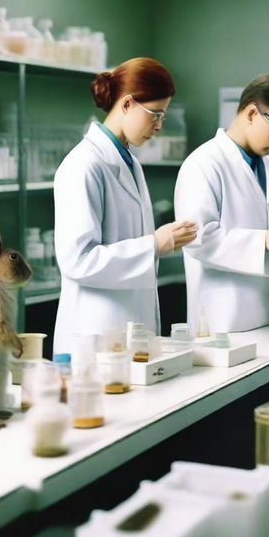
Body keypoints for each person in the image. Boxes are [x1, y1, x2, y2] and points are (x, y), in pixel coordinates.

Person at [53, 57, 197, 355]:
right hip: (94, 335)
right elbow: (78, 260)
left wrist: (158, 242)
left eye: (162, 117)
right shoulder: (83, 165)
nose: (159, 127)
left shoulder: (129, 162)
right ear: (128, 104)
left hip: (126, 329)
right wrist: (154, 245)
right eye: (155, 115)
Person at [174, 73, 269, 335]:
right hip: (223, 321)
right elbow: (197, 239)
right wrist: (263, 241)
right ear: (252, 113)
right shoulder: (203, 164)